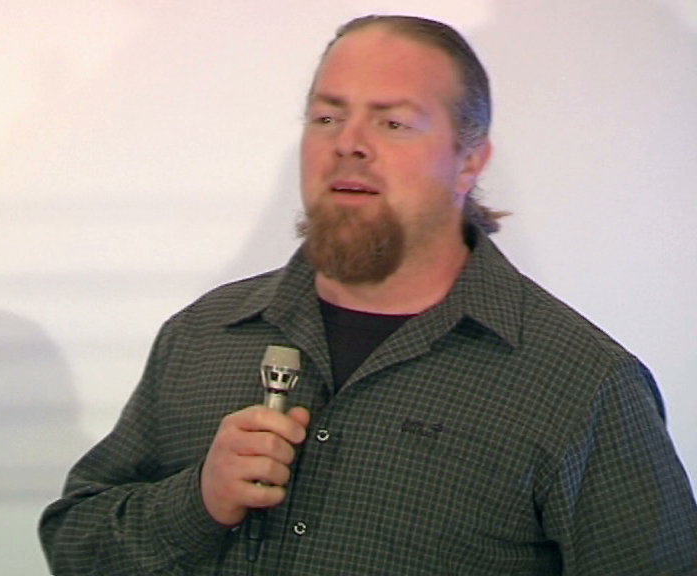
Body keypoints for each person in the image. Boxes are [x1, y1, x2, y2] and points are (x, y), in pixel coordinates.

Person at [39, 15, 697, 575]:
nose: (348, 144)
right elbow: (74, 545)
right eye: (327, 116)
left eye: (393, 124)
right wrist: (197, 504)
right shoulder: (204, 337)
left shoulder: (582, 385)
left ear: (469, 162)